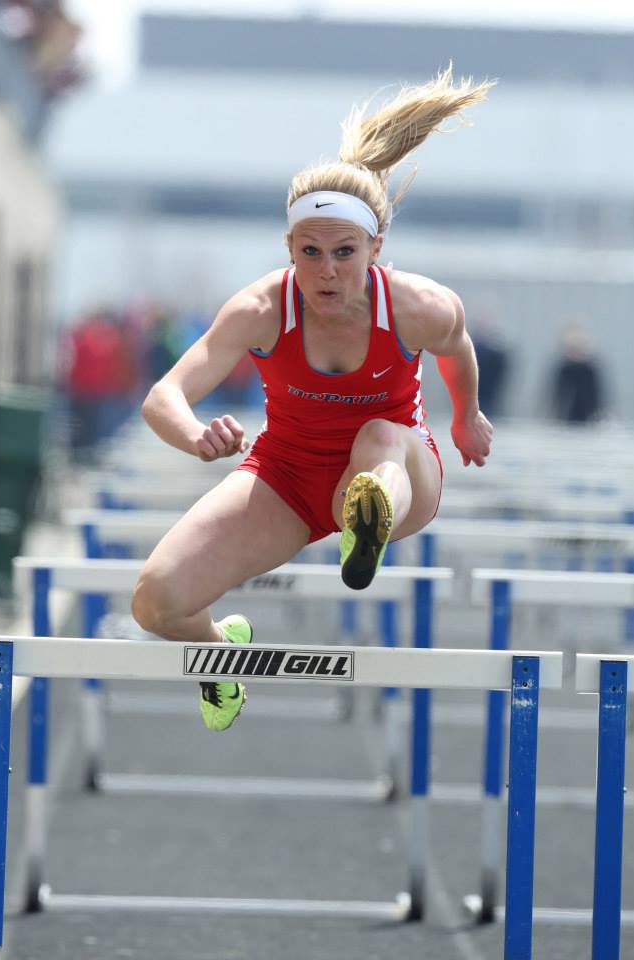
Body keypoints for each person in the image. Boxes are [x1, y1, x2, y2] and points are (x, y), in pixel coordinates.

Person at [131, 66, 494, 732]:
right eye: (309, 252)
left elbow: (458, 348)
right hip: (288, 479)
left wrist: (466, 416)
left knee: (376, 439)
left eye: (344, 253)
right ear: (289, 248)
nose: (326, 272)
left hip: (399, 468)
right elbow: (165, 394)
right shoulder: (261, 308)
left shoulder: (418, 306)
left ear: (376, 249)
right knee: (155, 602)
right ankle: (222, 659)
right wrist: (192, 436)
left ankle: (369, 516)